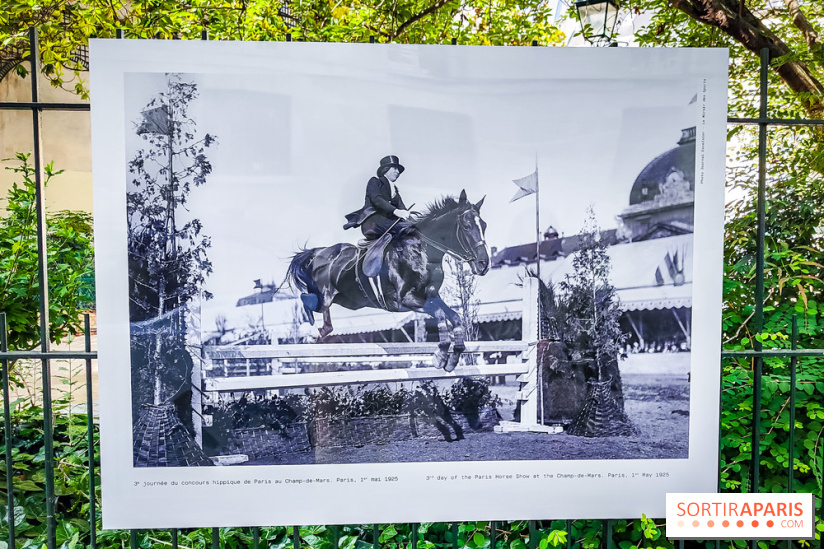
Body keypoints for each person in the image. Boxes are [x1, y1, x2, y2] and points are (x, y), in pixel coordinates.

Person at [343, 155, 413, 241]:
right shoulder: (375, 181)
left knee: (413, 228)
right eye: (395, 168)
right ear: (385, 169)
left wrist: (415, 222)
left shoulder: (395, 190)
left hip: (388, 222)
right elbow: (376, 199)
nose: (398, 172)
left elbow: (402, 207)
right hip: (373, 222)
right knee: (404, 229)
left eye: (398, 170)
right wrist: (395, 211)